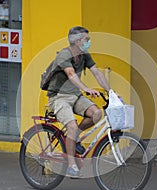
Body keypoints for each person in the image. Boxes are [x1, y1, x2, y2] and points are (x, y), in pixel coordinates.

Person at [47, 26, 110, 177]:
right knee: (72, 127)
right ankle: (71, 166)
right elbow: (71, 74)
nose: (88, 42)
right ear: (76, 41)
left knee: (96, 114)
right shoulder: (64, 55)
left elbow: (96, 72)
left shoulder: (84, 55)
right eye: (86, 39)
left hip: (74, 95)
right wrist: (86, 88)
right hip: (59, 97)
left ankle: (73, 141)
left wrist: (110, 91)